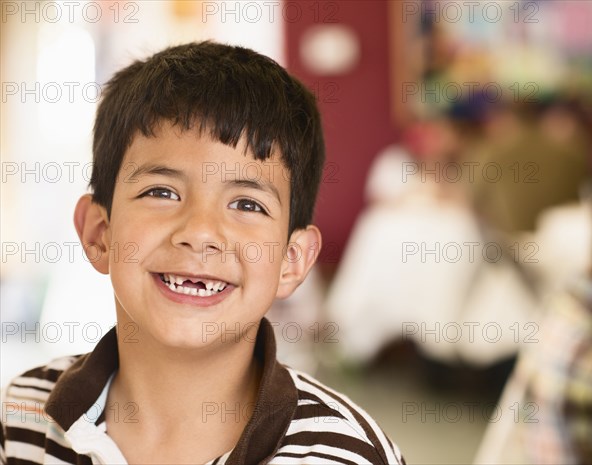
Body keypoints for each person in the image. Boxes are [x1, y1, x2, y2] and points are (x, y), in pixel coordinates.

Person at [0, 42, 403, 465]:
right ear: (100, 234)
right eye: (161, 192)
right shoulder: (25, 415)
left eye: (248, 204)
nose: (200, 233)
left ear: (292, 260)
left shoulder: (346, 453)